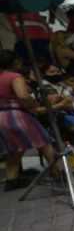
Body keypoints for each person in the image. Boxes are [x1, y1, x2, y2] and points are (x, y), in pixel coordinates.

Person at [0, 51, 57, 191]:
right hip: (17, 116)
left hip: (2, 117)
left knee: (14, 150)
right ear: (14, 62)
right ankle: (59, 172)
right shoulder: (14, 76)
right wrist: (34, 104)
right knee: (44, 142)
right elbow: (23, 96)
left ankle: (11, 181)